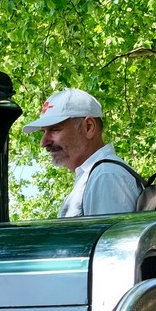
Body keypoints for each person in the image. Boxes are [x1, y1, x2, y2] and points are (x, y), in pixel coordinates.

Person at [24, 88, 141, 217]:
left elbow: (110, 237)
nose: (43, 142)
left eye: (54, 129)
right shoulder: (96, 175)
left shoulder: (106, 175)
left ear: (88, 127)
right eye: (43, 132)